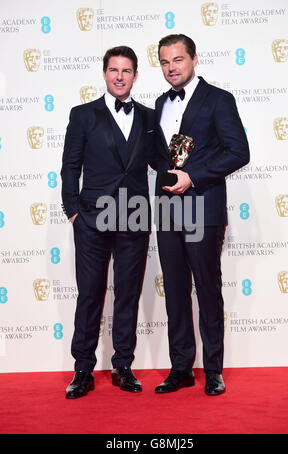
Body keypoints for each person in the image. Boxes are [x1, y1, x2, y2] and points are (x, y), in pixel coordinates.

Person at [154, 34, 250, 395]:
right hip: (166, 210)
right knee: (176, 292)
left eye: (177, 60)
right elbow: (160, 155)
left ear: (194, 59)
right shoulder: (160, 103)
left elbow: (239, 152)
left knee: (207, 290)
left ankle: (213, 370)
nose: (171, 68)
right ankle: (181, 368)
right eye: (164, 62)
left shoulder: (218, 100)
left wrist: (194, 176)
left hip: (202, 207)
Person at [61, 46, 156, 399]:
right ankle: (83, 369)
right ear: (104, 73)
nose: (119, 76)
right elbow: (71, 166)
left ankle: (123, 366)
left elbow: (161, 163)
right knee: (90, 295)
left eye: (126, 70)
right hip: (91, 220)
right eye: (114, 70)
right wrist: (73, 211)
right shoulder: (83, 115)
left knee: (127, 296)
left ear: (135, 75)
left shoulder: (149, 117)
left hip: (134, 219)